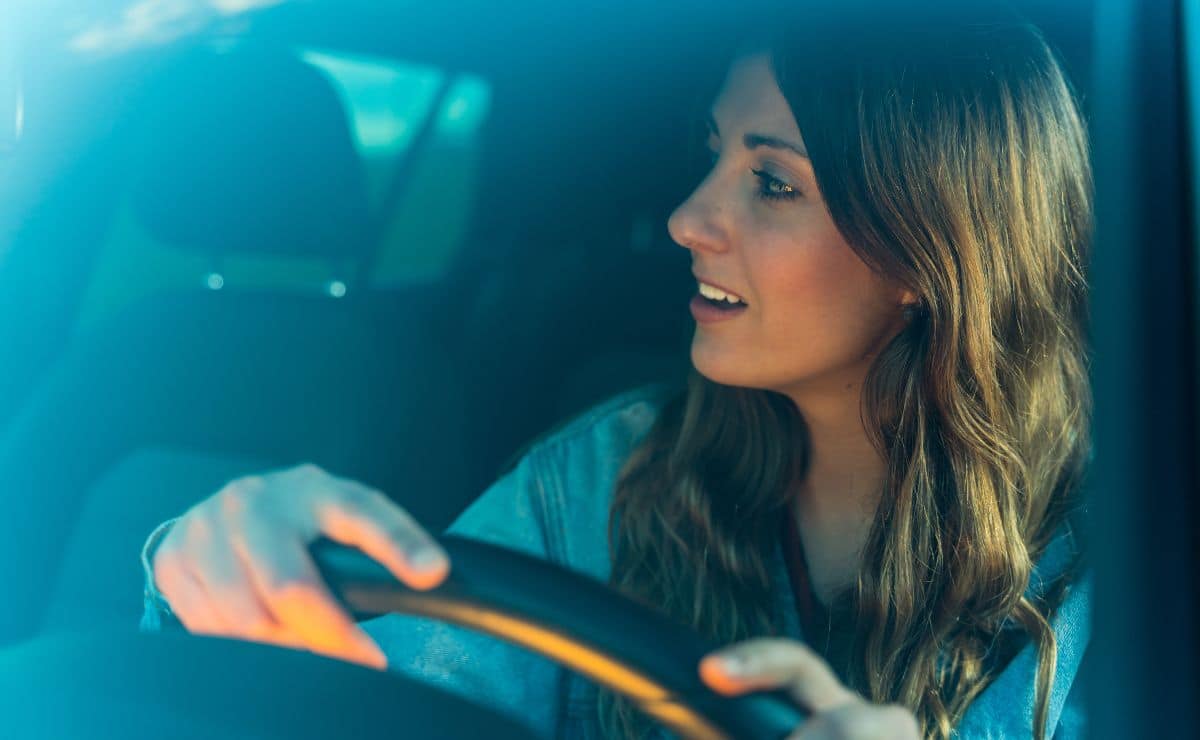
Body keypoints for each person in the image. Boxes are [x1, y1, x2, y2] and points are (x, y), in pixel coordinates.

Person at [139, 4, 1093, 739]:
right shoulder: (603, 475)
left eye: (772, 183)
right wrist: (224, 578)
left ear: (928, 252)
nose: (686, 218)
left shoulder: (1123, 566)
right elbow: (381, 701)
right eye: (713, 153)